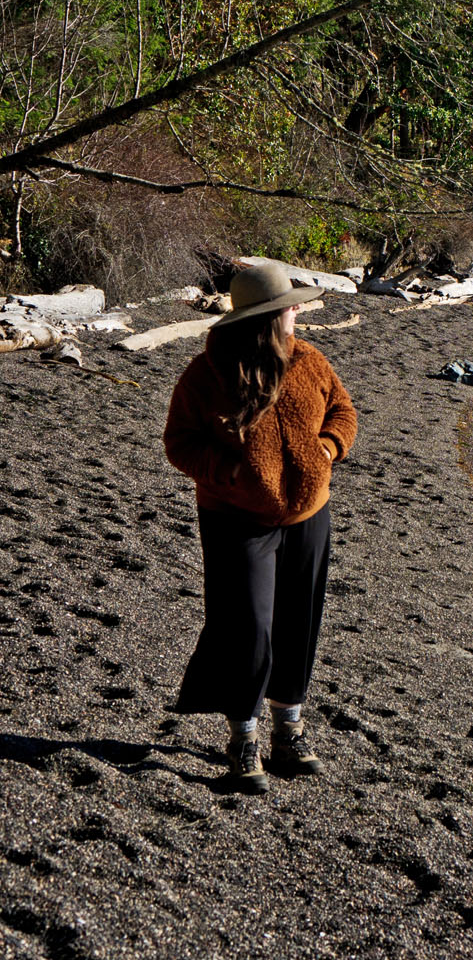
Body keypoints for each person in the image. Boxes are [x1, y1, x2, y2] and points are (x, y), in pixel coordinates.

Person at [163, 259, 357, 793]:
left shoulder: (311, 361)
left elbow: (344, 411)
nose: (297, 312)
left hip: (309, 513)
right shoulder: (209, 373)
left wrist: (326, 448)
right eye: (290, 306)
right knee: (247, 624)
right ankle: (243, 736)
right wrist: (229, 472)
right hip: (235, 517)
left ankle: (287, 731)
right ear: (270, 316)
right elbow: (179, 442)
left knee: (299, 621)